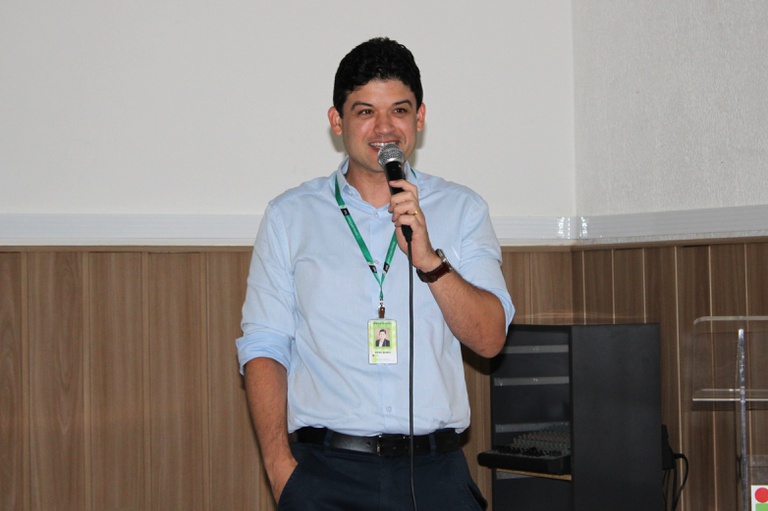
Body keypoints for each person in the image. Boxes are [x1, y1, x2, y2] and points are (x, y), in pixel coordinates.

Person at [236, 36, 514, 511]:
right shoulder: (290, 217)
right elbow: (264, 346)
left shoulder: (462, 210)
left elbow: (490, 340)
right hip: (325, 475)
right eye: (365, 111)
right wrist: (282, 472)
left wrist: (429, 261)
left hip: (435, 474)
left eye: (399, 111)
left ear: (419, 118)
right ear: (337, 121)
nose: (384, 128)